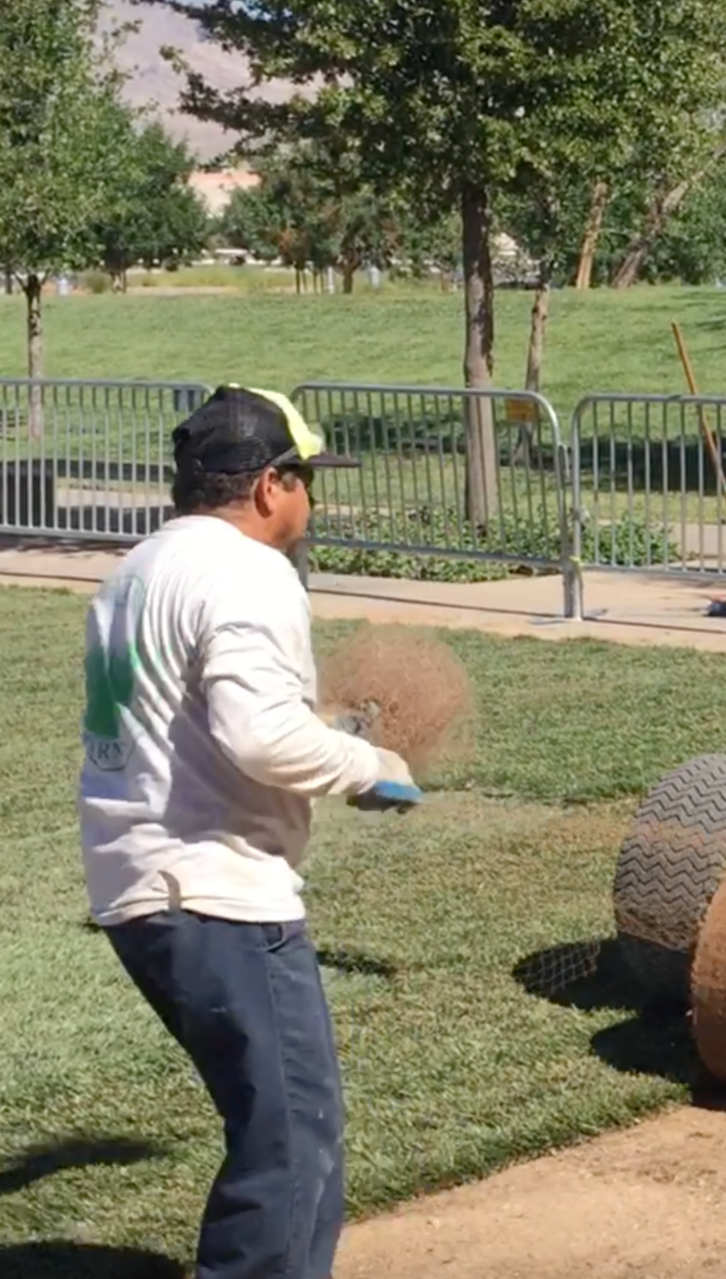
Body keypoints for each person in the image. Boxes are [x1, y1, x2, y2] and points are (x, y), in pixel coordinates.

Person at [77, 384, 421, 1279]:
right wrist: (368, 768)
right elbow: (258, 735)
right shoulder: (248, 571)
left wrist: (329, 737)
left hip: (138, 883)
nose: (314, 501)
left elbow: (168, 724)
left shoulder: (134, 572)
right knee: (290, 1142)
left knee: (275, 1127)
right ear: (271, 486)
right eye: (307, 479)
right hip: (216, 891)